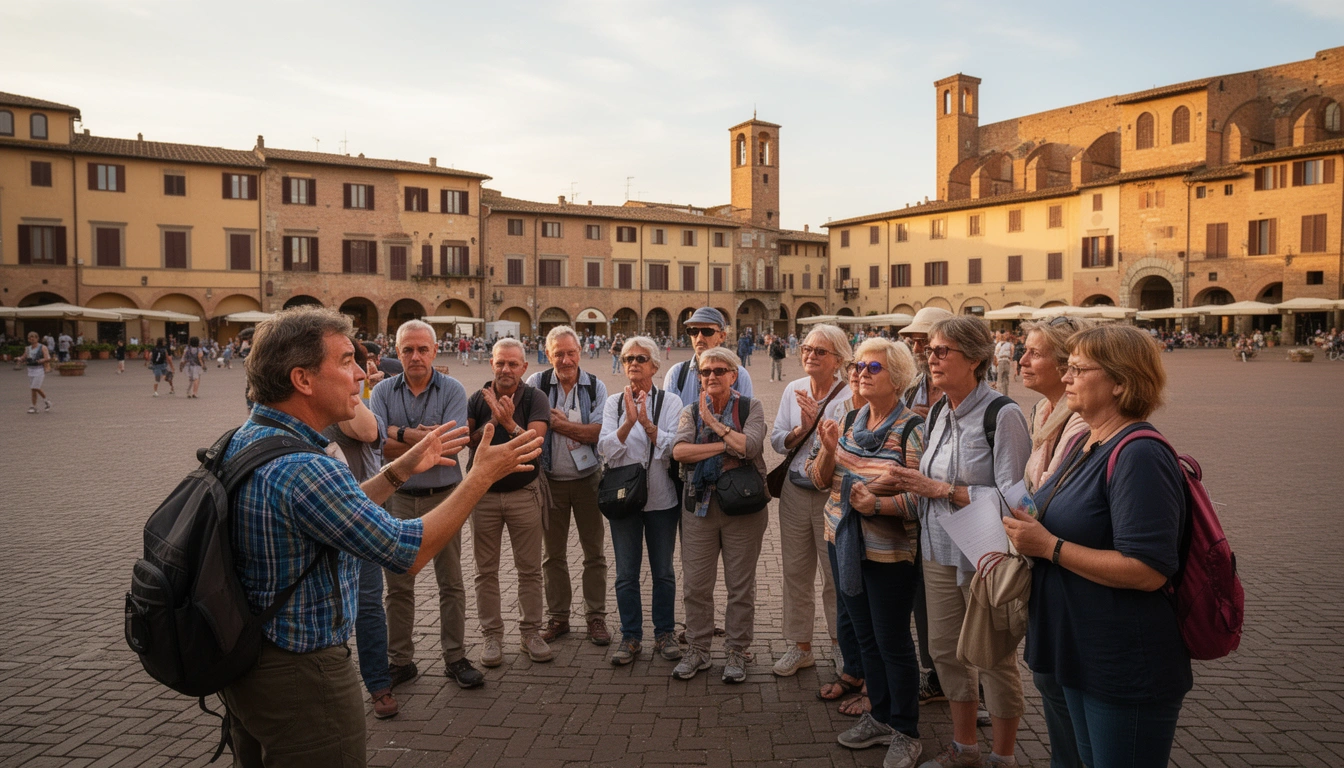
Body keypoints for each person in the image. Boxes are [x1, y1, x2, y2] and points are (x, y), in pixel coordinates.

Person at [219, 305, 541, 767]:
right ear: (302, 380)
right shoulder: (305, 468)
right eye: (347, 361)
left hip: (248, 662)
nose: (361, 374)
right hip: (300, 674)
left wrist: (402, 465)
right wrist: (480, 478)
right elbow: (404, 551)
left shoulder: (249, 438)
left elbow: (338, 509)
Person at [1004, 326, 1191, 768]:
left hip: (1121, 661)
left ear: (1121, 382)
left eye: (1078, 368)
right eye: (1066, 367)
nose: (1066, 377)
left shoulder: (1139, 453)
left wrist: (1049, 546)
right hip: (1078, 648)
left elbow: (1148, 568)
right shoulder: (1088, 440)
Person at [886, 316, 1031, 768]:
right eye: (929, 350)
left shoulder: (1001, 415)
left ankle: (1002, 757)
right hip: (937, 550)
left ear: (975, 359)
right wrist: (898, 485)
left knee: (994, 657)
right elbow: (930, 480)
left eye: (942, 350)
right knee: (945, 652)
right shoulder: (938, 412)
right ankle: (965, 747)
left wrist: (941, 490)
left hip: (984, 554)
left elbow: (1016, 498)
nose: (931, 358)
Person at [809, 338, 927, 768]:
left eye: (871, 367)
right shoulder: (852, 418)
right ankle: (878, 715)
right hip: (841, 543)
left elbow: (921, 500)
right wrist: (826, 448)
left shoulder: (912, 429)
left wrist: (876, 505)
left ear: (896, 378)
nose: (859, 372)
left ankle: (906, 731)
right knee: (864, 638)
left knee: (893, 641)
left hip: (889, 555)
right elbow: (822, 480)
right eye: (857, 365)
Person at [370, 321, 484, 691]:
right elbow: (377, 445)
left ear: (435, 351)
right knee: (398, 585)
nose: (415, 356)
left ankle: (455, 657)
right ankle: (400, 660)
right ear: (396, 351)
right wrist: (421, 439)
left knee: (451, 582)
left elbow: (450, 445)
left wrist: (397, 432)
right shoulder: (383, 390)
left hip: (444, 499)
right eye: (407, 350)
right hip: (398, 498)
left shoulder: (452, 388)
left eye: (422, 349)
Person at [1012, 316, 1095, 768]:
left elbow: (1052, 494)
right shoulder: (1042, 412)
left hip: (1065, 568)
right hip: (1043, 563)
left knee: (1063, 687)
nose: (1021, 360)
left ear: (1066, 364)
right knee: (1048, 680)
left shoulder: (1081, 422)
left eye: (1035, 352)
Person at [671, 346, 768, 684]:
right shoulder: (689, 411)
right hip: (700, 505)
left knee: (740, 586)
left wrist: (715, 425)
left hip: (742, 508)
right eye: (705, 371)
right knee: (696, 585)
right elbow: (680, 451)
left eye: (719, 370)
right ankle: (697, 649)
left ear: (733, 375)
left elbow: (751, 446)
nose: (711, 376)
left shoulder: (749, 406)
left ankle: (736, 651)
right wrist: (725, 442)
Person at [320, 340, 399, 719]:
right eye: (347, 364)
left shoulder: (352, 400)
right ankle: (324, 688)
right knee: (321, 605)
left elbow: (369, 432)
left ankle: (378, 683)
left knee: (368, 602)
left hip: (359, 515)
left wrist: (351, 393)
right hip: (316, 518)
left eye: (358, 364)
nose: (361, 373)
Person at [768, 324, 851, 678]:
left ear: (838, 359)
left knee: (835, 574)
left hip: (831, 493)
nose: (810, 356)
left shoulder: (850, 396)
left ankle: (840, 644)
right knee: (795, 572)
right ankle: (800, 646)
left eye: (820, 351)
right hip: (794, 491)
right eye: (806, 348)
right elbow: (775, 440)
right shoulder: (794, 389)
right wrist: (801, 430)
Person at [598, 336, 686, 665]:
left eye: (640, 358)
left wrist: (647, 424)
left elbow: (673, 447)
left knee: (663, 571)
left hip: (662, 500)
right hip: (624, 500)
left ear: (655, 365)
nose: (633, 363)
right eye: (627, 358)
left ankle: (664, 633)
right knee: (625, 573)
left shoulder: (671, 402)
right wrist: (628, 423)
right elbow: (605, 449)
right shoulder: (613, 403)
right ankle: (630, 636)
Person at [467, 338, 553, 667]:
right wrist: (489, 421)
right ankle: (492, 637)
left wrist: (508, 423)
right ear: (491, 364)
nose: (506, 369)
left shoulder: (535, 398)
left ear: (524, 368)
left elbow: (535, 444)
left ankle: (531, 633)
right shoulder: (477, 399)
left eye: (513, 364)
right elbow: (467, 440)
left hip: (524, 494)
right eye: (500, 363)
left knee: (530, 570)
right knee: (485, 572)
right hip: (483, 496)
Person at [526, 326, 612, 647]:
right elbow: (529, 428)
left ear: (581, 352)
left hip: (589, 478)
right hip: (549, 482)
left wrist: (559, 424)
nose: (565, 359)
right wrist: (579, 428)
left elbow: (599, 433)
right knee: (553, 555)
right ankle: (559, 617)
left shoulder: (595, 386)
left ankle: (596, 617)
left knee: (594, 553)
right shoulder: (536, 384)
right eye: (558, 353)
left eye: (571, 352)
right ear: (547, 355)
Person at [896, 305, 954, 705]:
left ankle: (973, 688)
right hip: (917, 512)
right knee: (922, 600)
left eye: (926, 340)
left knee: (965, 608)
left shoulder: (977, 398)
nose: (919, 347)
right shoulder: (912, 388)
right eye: (914, 340)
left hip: (957, 513)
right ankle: (935, 675)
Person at [663, 307, 753, 409]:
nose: (699, 337)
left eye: (707, 331)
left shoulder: (739, 375)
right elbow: (668, 420)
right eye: (693, 331)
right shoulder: (677, 374)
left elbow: (746, 420)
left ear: (722, 336)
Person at [22, 332, 52, 413]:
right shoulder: (27, 348)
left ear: (37, 338)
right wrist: (19, 359)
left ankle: (33, 406)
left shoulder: (42, 347)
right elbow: (24, 357)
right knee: (35, 388)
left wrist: (41, 360)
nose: (31, 339)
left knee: (34, 388)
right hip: (30, 370)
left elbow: (47, 358)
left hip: (39, 370)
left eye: (33, 337)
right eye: (30, 337)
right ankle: (46, 401)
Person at [994, 330, 1015, 396]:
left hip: (1001, 361)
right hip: (1007, 361)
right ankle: (1006, 393)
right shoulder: (1009, 344)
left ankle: (999, 394)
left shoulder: (999, 344)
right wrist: (1010, 358)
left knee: (1000, 378)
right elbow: (1012, 352)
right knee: (1006, 378)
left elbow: (996, 353)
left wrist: (996, 362)